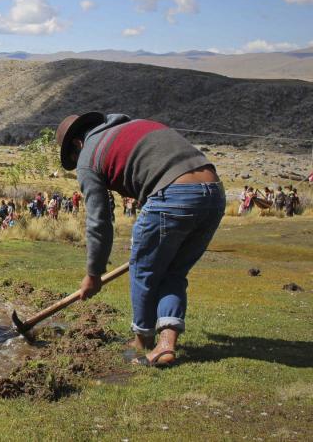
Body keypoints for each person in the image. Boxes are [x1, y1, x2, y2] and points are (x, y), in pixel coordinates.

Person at [55, 112, 225, 367]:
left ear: (77, 144)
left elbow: (98, 221)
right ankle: (166, 346)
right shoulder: (130, 127)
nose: (76, 162)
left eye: (72, 157)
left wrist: (93, 273)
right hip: (214, 194)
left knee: (143, 270)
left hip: (172, 193)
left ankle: (142, 339)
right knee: (173, 273)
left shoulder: (88, 155)